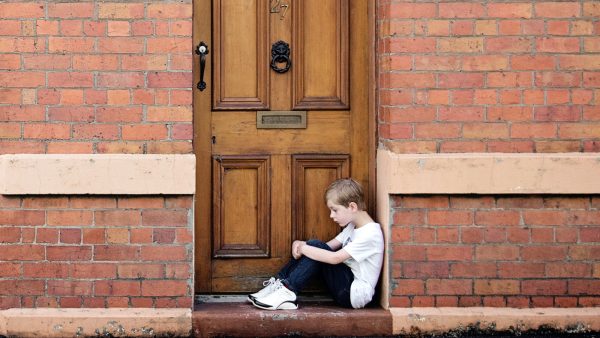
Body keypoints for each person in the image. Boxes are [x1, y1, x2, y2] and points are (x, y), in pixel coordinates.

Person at [248, 178, 384, 310]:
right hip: (344, 285)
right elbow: (327, 247)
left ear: (352, 206)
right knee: (314, 245)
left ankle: (287, 292)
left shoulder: (371, 234)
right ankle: (278, 284)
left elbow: (334, 258)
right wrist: (301, 244)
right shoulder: (352, 227)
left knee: (315, 246)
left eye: (335, 210)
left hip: (353, 294)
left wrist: (304, 248)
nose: (331, 215)